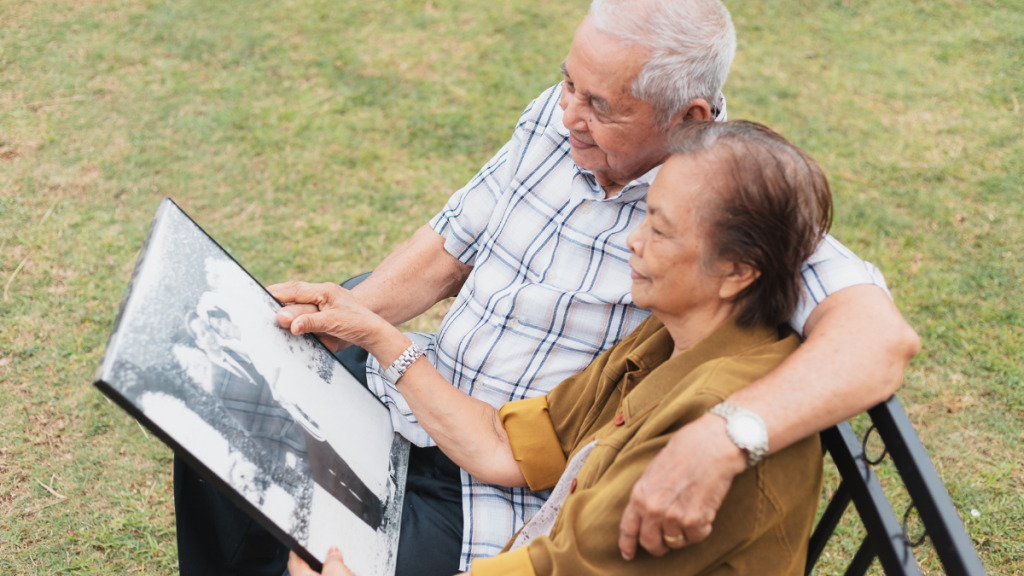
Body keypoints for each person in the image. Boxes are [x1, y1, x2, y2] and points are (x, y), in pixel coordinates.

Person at [175, 0, 920, 573]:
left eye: (602, 106)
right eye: (569, 82)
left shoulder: (739, 219)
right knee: (214, 409)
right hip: (439, 407)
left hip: (493, 503)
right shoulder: (569, 118)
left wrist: (727, 437)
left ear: (686, 118)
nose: (569, 114)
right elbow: (453, 241)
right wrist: (358, 317)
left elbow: (880, 340)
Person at [280, 119, 837, 576]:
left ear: (738, 272)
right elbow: (507, 443)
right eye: (644, 215)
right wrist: (379, 335)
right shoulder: (673, 335)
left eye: (659, 231)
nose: (631, 242)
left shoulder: (701, 429)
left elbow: (561, 568)